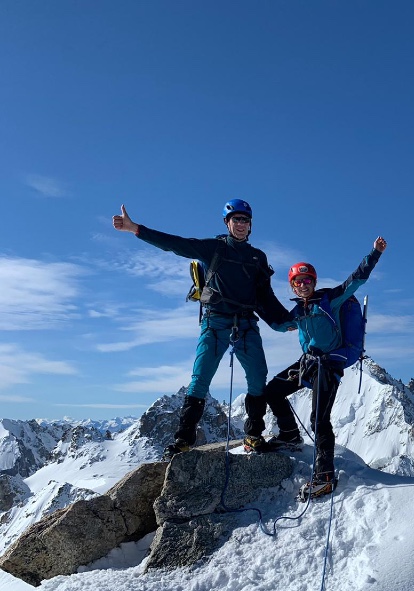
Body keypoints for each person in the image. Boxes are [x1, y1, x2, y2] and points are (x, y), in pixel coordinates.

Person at [113, 199, 290, 460]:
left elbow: (266, 297)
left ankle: (253, 435)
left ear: (250, 225)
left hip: (245, 323)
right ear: (227, 223)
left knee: (257, 377)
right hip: (215, 321)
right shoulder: (213, 248)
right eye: (236, 220)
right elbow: (176, 244)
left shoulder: (258, 258)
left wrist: (284, 321)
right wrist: (135, 229)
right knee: (200, 379)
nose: (241, 225)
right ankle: (183, 440)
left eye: (245, 220)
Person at [250, 236, 387, 499]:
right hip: (309, 363)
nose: (302, 285)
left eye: (306, 280)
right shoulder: (298, 311)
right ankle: (289, 434)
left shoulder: (331, 299)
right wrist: (254, 305)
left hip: (329, 364)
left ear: (314, 281)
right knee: (272, 391)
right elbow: (280, 326)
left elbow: (356, 280)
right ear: (292, 286)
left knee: (318, 419)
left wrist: (374, 254)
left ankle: (324, 476)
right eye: (297, 282)